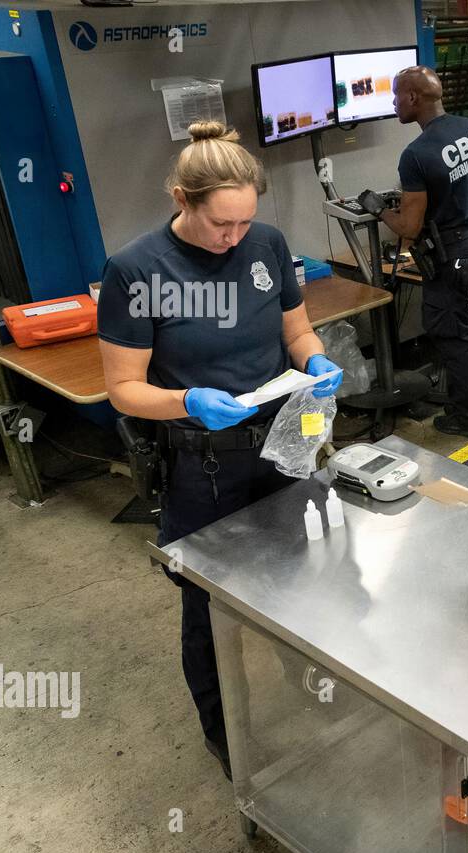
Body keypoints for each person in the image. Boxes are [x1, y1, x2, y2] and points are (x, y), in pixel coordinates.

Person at [97, 120, 343, 780]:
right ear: (182, 198)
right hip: (204, 464)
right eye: (219, 226)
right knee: (208, 605)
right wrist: (188, 402)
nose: (232, 238)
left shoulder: (266, 244)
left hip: (283, 441)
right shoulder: (136, 270)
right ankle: (224, 731)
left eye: (243, 223)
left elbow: (295, 328)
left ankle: (310, 682)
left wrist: (316, 361)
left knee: (298, 573)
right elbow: (122, 388)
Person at [361, 66, 468, 440]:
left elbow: (409, 228)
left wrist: (379, 209)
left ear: (414, 99)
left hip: (451, 261)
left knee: (454, 336)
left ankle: (467, 418)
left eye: (397, 95)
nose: (393, 102)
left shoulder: (416, 155)